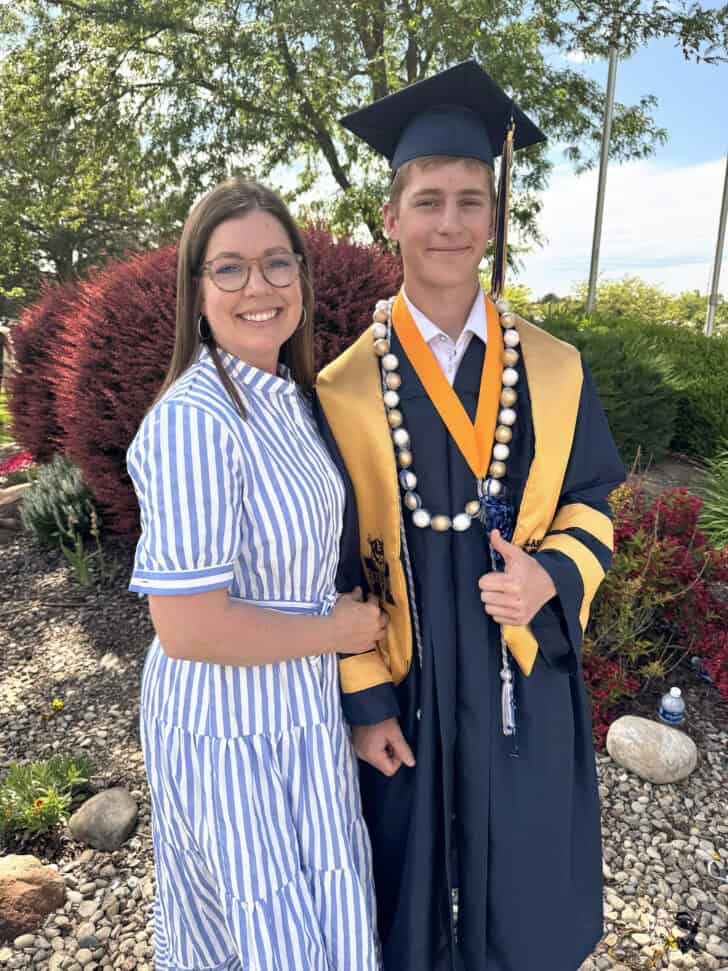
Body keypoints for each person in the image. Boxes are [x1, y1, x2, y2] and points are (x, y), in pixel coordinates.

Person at [314, 61, 626, 971]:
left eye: (468, 201)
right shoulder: (343, 387)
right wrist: (365, 699)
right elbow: (326, 559)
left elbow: (594, 502)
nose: (448, 222)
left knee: (524, 891)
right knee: (402, 891)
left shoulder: (557, 369)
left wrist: (553, 575)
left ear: (493, 220)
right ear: (392, 218)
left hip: (517, 669)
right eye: (427, 200)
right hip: (406, 676)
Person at [126, 177, 385, 971]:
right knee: (269, 938)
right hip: (228, 726)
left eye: (278, 263)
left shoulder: (288, 399)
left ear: (301, 278)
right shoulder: (195, 421)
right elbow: (189, 626)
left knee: (320, 917)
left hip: (296, 706)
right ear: (197, 289)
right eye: (229, 268)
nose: (259, 287)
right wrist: (338, 631)